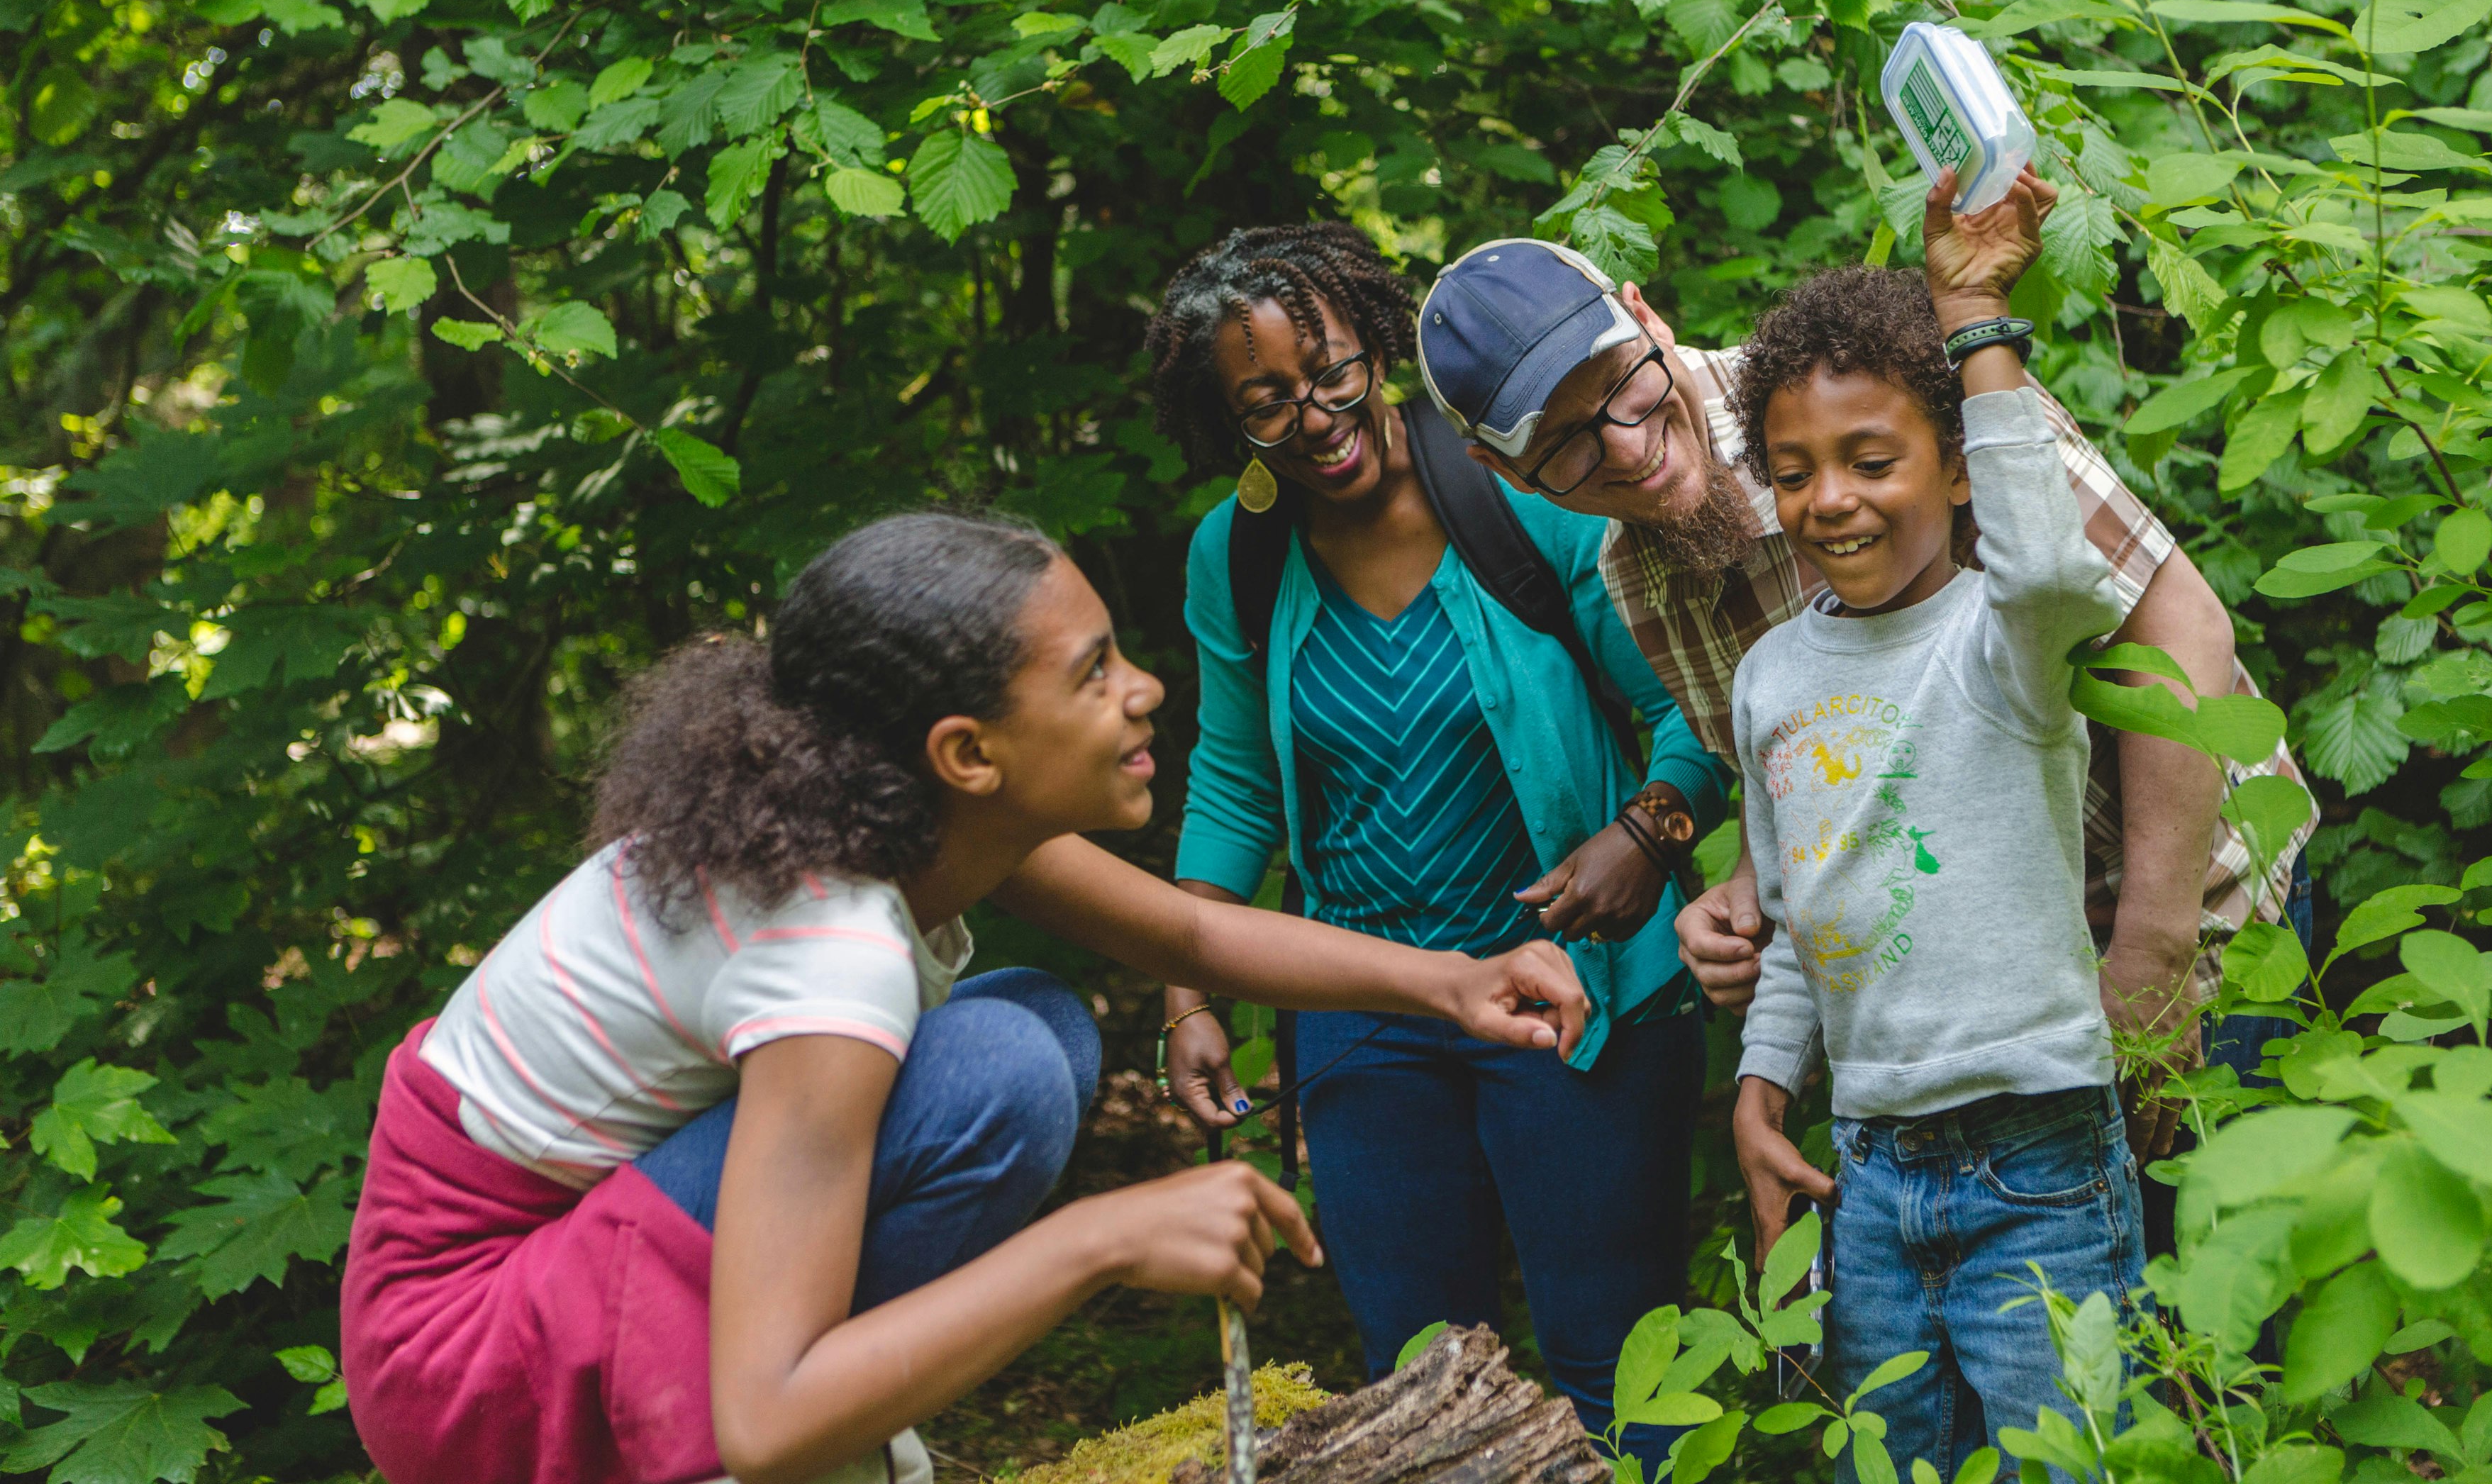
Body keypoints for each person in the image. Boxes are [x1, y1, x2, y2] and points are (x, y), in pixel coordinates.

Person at [341, 512, 1591, 1484]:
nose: (1144, 689)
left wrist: (1453, 981)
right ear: (968, 754)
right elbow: (765, 1421)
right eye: (1095, 673)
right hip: (472, 1368)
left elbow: (1199, 929)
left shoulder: (910, 823)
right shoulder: (831, 953)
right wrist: (1102, 1236)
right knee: (1000, 1069)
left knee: (1034, 1023)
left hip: (541, 1288)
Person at [1413, 180, 2314, 1178]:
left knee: (2224, 1296)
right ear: (1504, 473)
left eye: (1624, 387)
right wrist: (1746, 892)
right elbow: (1809, 788)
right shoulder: (1638, 579)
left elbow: (2177, 625)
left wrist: (2153, 951)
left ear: (1645, 316)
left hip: (2192, 915)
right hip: (1999, 1012)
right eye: (1569, 445)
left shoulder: (1871, 395)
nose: (1628, 445)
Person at [1140, 224, 1728, 1467]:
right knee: (1412, 1377)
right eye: (1267, 404)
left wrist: (1646, 836)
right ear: (1225, 423)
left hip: (1576, 997)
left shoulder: (1522, 493)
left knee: (1614, 1367)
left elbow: (1694, 704)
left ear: (1378, 345)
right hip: (1360, 1013)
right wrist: (1188, 991)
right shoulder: (1235, 558)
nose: (1316, 417)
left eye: (1335, 371)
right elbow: (1236, 779)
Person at [1722, 206, 2142, 1476]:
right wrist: (1759, 1088)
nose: (1829, 501)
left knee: (2066, 1462)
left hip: (2040, 1159)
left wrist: (1975, 329)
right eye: (1793, 472)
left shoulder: (2004, 642)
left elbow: (2055, 573)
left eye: (1871, 460)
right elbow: (1800, 917)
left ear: (1956, 468)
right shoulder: (1768, 677)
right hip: (1866, 1173)